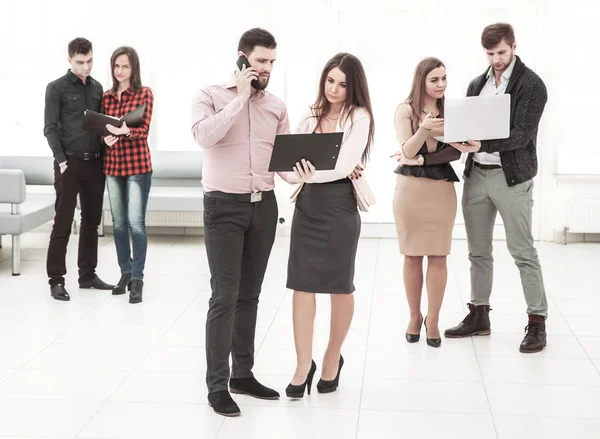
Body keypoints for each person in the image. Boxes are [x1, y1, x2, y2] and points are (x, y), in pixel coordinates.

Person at [191, 28, 289, 417]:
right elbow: (203, 137)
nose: (267, 69)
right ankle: (216, 386)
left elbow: (283, 166)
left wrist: (306, 171)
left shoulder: (277, 106)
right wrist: (241, 100)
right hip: (223, 208)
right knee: (224, 296)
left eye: (272, 62)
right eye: (261, 61)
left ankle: (242, 375)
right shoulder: (209, 96)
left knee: (250, 294)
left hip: (263, 206)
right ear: (242, 58)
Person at [445, 23, 549, 353]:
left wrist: (481, 143)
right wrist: (459, 139)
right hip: (477, 175)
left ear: (514, 46)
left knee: (523, 252)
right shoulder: (478, 83)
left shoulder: (532, 85)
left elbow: (522, 134)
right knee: (478, 251)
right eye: (490, 54)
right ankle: (479, 314)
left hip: (512, 178)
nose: (496, 59)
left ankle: (537, 323)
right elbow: (470, 124)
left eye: (502, 52)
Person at [282, 53, 375, 398]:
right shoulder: (310, 115)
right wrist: (299, 173)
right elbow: (290, 165)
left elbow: (343, 166)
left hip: (339, 207)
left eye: (342, 84)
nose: (334, 89)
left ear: (354, 88)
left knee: (340, 285)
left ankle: (332, 355)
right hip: (308, 207)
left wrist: (308, 172)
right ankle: (302, 364)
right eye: (330, 81)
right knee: (301, 285)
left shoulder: (359, 117)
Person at [391, 57, 461, 348]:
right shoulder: (405, 110)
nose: (441, 85)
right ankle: (413, 315)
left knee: (438, 255)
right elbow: (405, 147)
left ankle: (433, 319)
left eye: (444, 78)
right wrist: (425, 128)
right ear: (421, 80)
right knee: (411, 256)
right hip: (410, 192)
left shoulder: (453, 110)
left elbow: (456, 153)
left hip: (442, 191)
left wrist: (419, 158)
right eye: (434, 80)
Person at [44, 37, 114, 301]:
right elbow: (49, 128)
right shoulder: (56, 88)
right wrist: (61, 160)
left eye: (90, 61)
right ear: (69, 60)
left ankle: (87, 275)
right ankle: (56, 280)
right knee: (62, 222)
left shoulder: (97, 88)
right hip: (68, 164)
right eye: (81, 62)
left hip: (95, 163)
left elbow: (100, 124)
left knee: (91, 222)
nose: (86, 67)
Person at [101, 46, 154, 304]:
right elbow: (101, 127)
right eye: (116, 66)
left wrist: (124, 132)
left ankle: (137, 279)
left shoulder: (145, 93)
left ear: (134, 68)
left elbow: (143, 130)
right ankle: (125, 272)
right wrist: (106, 138)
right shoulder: (106, 96)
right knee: (119, 224)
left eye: (125, 66)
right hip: (113, 166)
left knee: (136, 224)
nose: (120, 71)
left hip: (137, 167)